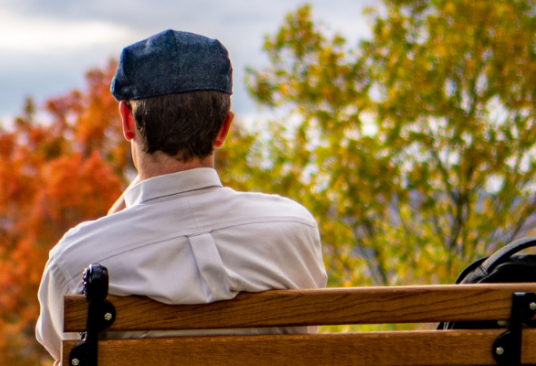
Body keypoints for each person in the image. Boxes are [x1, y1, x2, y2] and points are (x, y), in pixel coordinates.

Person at [33, 29, 328, 362]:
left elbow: (59, 346)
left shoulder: (75, 260)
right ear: (223, 129)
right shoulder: (294, 229)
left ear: (128, 122)